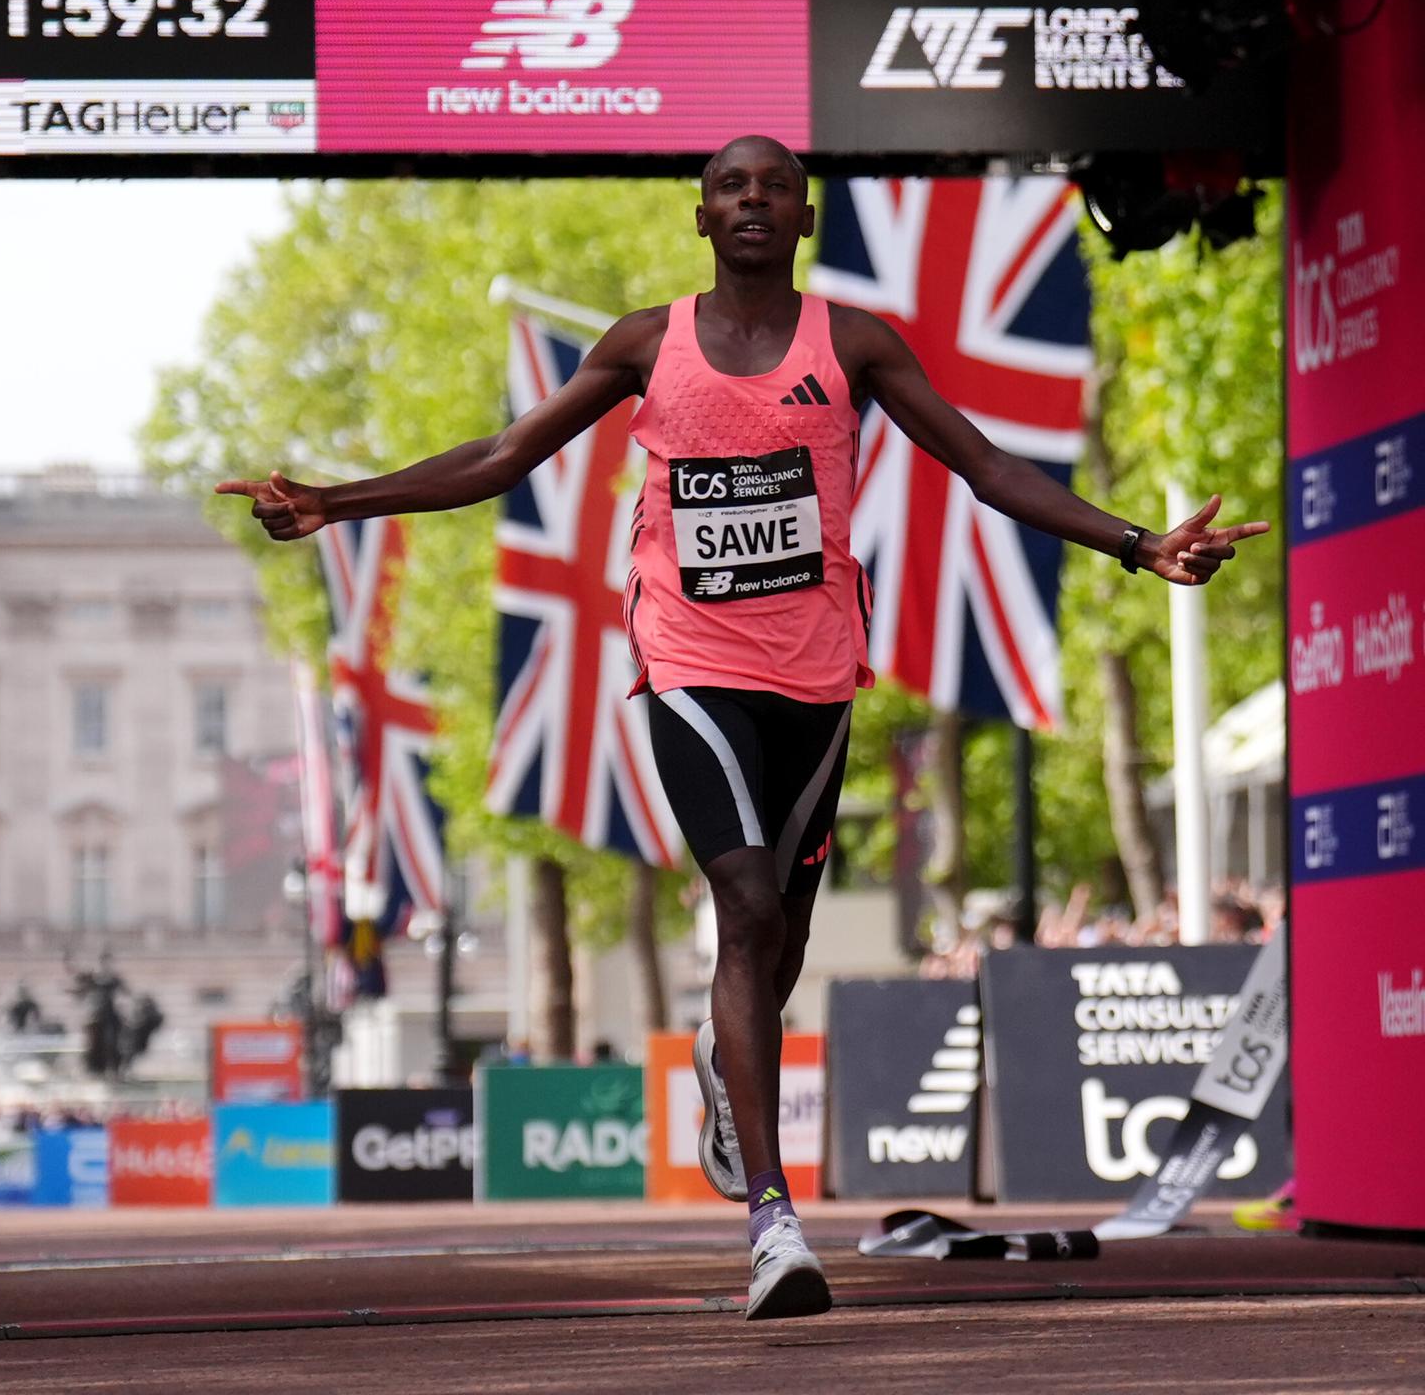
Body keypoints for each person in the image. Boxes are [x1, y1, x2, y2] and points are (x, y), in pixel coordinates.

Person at [216, 135, 1269, 1319]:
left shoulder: (855, 344)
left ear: (805, 219)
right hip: (690, 660)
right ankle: (774, 1222)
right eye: (731, 187)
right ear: (701, 218)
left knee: (782, 941)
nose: (753, 199)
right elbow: (507, 455)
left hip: (816, 675)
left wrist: (1138, 543)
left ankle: (731, 1059)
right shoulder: (644, 344)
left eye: (775, 187)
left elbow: (984, 466)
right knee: (748, 905)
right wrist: (337, 502)